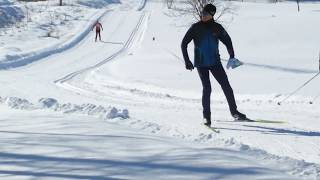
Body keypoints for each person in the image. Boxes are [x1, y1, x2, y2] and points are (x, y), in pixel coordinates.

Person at [181, 4, 247, 127]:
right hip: (201, 63)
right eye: (202, 13)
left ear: (211, 15)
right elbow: (184, 43)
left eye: (205, 14)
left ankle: (234, 112)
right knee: (207, 89)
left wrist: (232, 55)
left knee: (226, 86)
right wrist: (187, 61)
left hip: (215, 62)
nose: (202, 15)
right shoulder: (195, 27)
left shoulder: (217, 28)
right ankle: (206, 117)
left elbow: (228, 41)